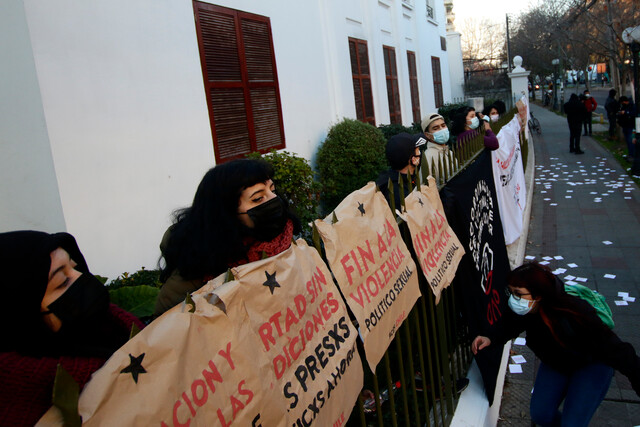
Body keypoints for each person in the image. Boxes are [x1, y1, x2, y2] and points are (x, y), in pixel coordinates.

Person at [0, 230, 144, 426]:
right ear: (20, 317)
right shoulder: (22, 407)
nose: (82, 279)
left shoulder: (125, 332)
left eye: (75, 267)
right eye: (62, 281)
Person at [472, 262, 640, 427]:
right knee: (540, 414)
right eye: (510, 291)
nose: (513, 298)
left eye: (518, 293)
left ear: (538, 295)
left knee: (572, 423)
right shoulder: (525, 309)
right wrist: (491, 338)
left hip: (591, 366)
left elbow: (615, 348)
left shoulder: (574, 312)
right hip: (557, 363)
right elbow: (510, 325)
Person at [155, 158, 301, 315]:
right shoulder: (193, 278)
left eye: (272, 190)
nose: (274, 199)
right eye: (258, 198)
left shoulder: (284, 241)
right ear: (226, 214)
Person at [376, 132, 426, 209]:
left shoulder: (396, 179)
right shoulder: (399, 192)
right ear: (413, 159)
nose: (420, 153)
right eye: (418, 150)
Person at [421, 112, 456, 179]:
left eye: (443, 126)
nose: (441, 129)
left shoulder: (447, 150)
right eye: (435, 128)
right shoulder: (429, 157)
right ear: (427, 135)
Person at [617, 96, 637, 160]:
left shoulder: (632, 106)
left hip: (630, 126)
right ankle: (630, 154)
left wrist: (626, 113)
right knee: (628, 141)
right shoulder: (624, 107)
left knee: (630, 141)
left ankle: (632, 155)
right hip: (625, 125)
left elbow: (634, 114)